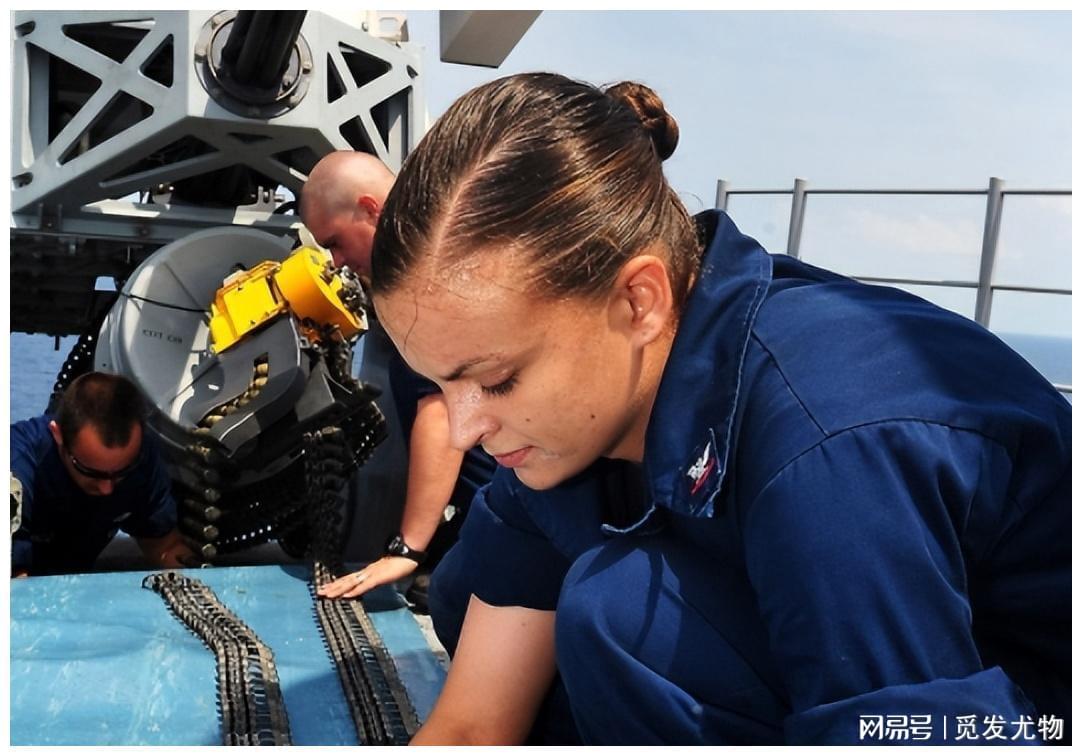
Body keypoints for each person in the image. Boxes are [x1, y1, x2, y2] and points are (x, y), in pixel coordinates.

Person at [367, 72, 1071, 745]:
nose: (465, 429)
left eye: (496, 380)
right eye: (441, 384)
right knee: (470, 591)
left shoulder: (829, 448)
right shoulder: (564, 425)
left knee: (622, 617)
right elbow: (471, 725)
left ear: (639, 301)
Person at [298, 151, 496, 603]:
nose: (337, 261)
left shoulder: (418, 276)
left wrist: (407, 549)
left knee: (450, 602)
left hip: (520, 504)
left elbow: (442, 410)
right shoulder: (446, 242)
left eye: (335, 243)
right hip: (495, 504)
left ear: (370, 209)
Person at [10, 372, 192, 576]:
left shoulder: (142, 459)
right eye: (90, 472)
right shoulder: (16, 465)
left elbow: (163, 546)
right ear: (58, 434)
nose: (107, 489)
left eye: (122, 472)